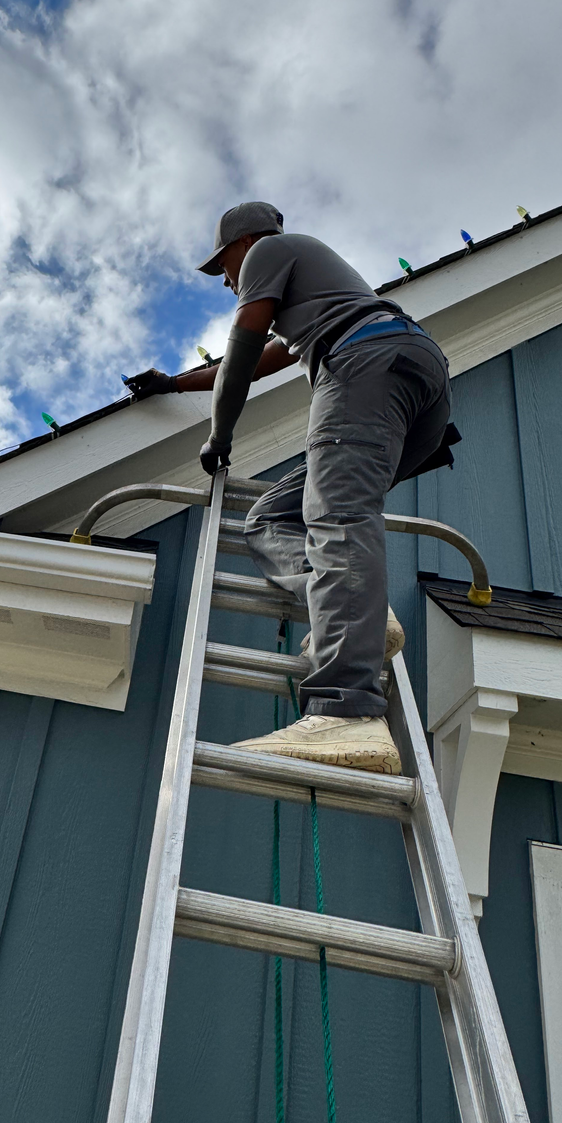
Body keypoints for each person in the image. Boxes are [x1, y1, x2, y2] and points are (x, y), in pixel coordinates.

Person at [125, 202, 454, 774]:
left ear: (244, 241)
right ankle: (360, 623)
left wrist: (218, 434)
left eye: (223, 267)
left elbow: (244, 347)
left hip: (364, 367)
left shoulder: (271, 251)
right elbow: (254, 362)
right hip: (412, 378)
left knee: (338, 516)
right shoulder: (320, 296)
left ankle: (346, 711)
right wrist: (172, 384)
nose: (228, 282)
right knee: (273, 516)